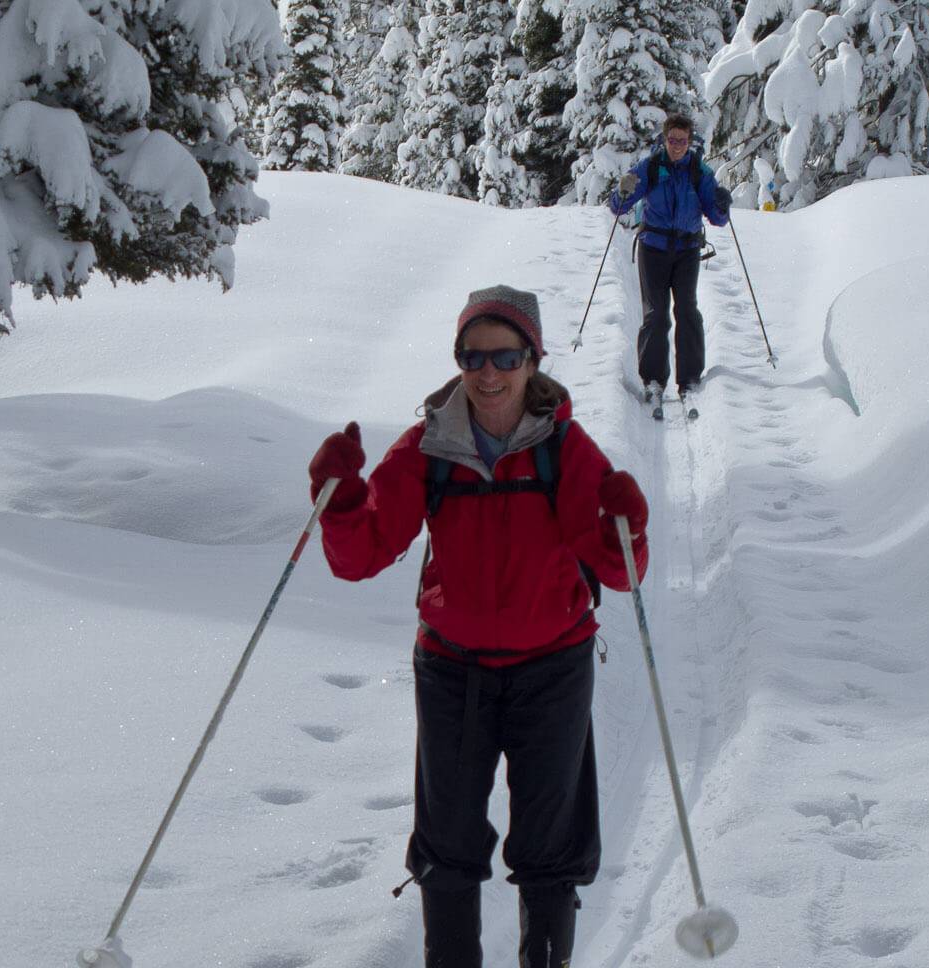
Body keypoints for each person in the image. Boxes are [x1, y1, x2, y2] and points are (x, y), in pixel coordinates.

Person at [306, 284, 651, 968]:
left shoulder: (565, 449)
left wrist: (627, 527)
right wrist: (342, 504)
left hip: (552, 668)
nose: (488, 373)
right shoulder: (430, 446)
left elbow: (620, 573)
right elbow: (363, 554)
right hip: (452, 668)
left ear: (532, 359)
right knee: (449, 847)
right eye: (473, 356)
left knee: (550, 850)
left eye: (505, 355)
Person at [607, 114, 733, 405]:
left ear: (690, 143)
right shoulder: (651, 167)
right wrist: (621, 191)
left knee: (687, 310)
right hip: (653, 248)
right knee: (656, 313)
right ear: (665, 140)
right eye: (673, 140)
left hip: (687, 250)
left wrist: (722, 204)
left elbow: (717, 218)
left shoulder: (698, 171)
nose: (677, 146)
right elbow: (619, 206)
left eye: (683, 141)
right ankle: (653, 379)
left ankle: (689, 378)